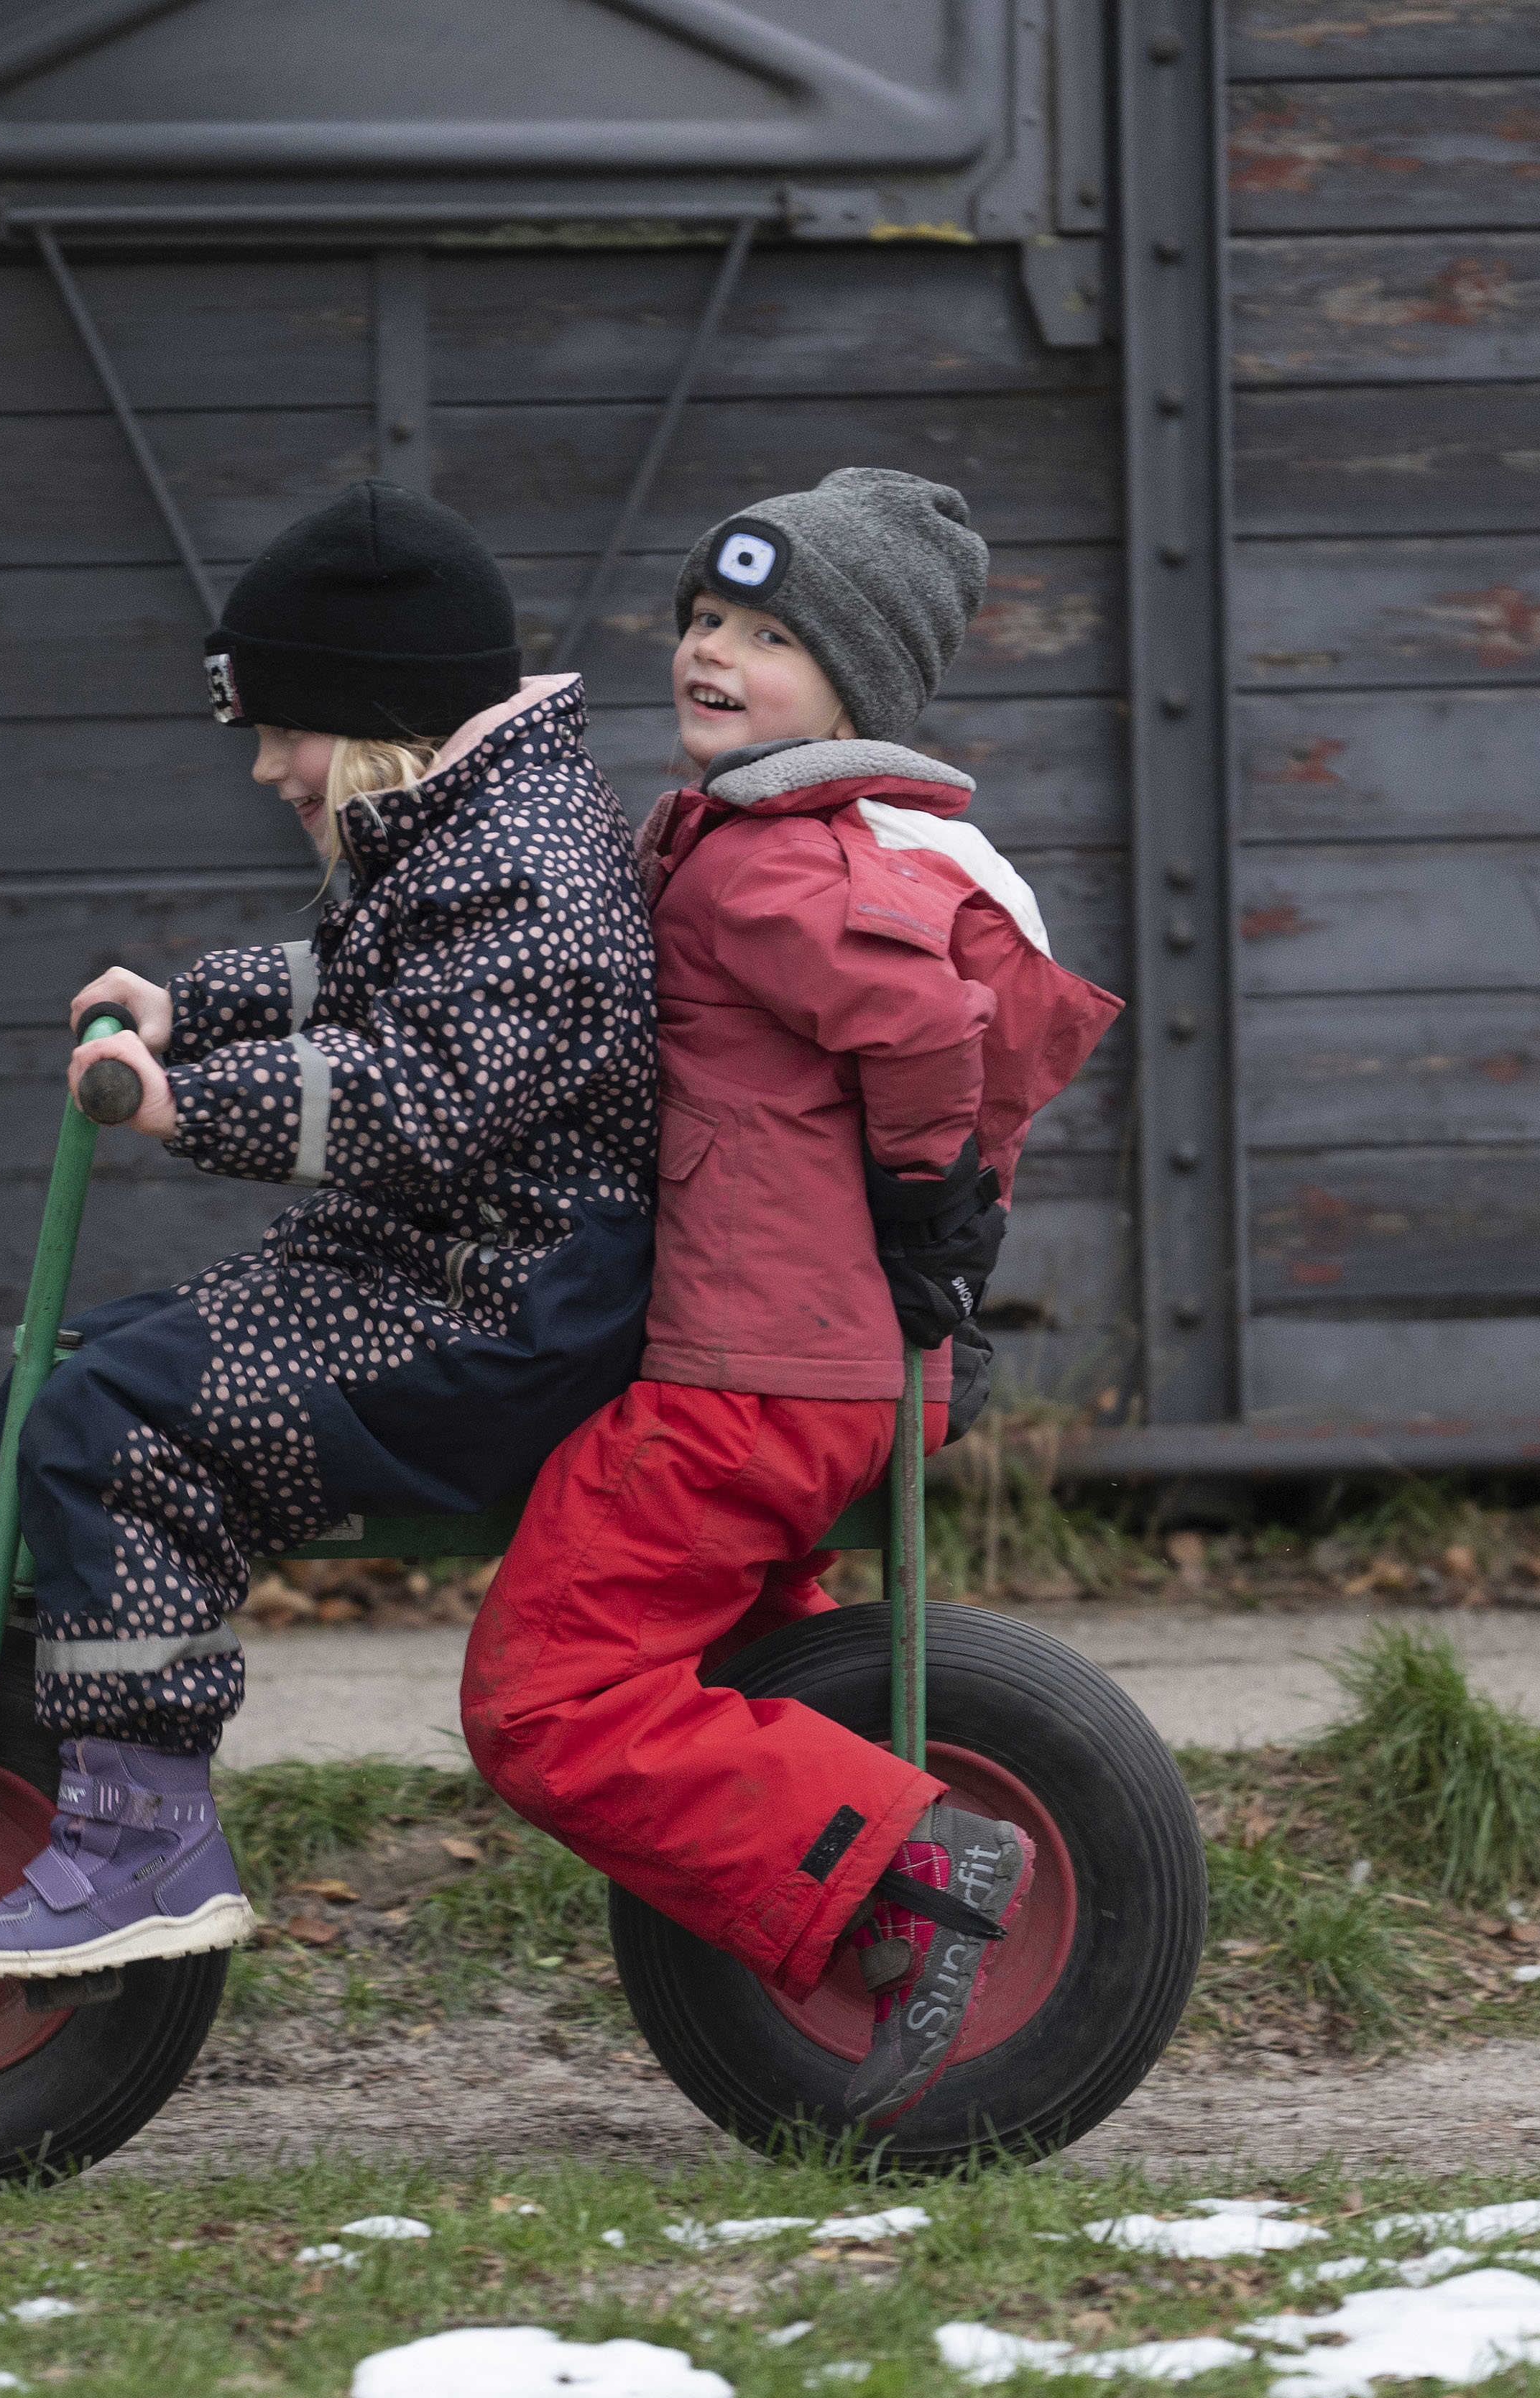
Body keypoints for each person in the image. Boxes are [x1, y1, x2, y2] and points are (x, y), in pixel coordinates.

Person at [0, 479, 658, 1982]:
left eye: (285, 731)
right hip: (424, 1269)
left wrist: (179, 1106)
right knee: (61, 1371)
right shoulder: (458, 829)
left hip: (503, 1314)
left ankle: (142, 1837)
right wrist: (190, 1011)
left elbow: (416, 1093)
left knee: (119, 1425)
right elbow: (360, 989)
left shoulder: (529, 866)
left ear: (379, 709)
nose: (267, 768)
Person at [458, 467, 1122, 2125]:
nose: (713, 652)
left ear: (858, 688)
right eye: (702, 617)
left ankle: (910, 1861)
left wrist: (925, 1204)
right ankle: (867, 1850)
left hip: (752, 1376)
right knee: (736, 1673)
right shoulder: (745, 839)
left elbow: (917, 1027)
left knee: (545, 1698)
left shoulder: (782, 862)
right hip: (803, 1369)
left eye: (768, 635)